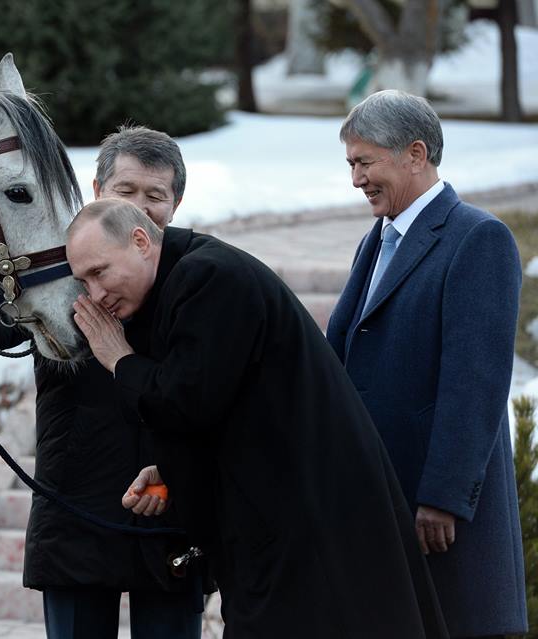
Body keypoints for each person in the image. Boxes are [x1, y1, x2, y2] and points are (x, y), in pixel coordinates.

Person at [67, 198, 448, 638]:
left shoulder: (206, 276)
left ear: (140, 241)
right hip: (289, 527)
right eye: (84, 281)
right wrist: (169, 469)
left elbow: (186, 400)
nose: (94, 295)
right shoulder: (187, 275)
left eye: (100, 273)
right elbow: (219, 406)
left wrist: (120, 360)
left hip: (310, 529)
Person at [0, 126, 205, 638]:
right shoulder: (61, 264)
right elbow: (2, 314)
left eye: (156, 196)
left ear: (176, 204)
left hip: (167, 504)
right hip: (76, 500)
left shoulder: (197, 275)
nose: (140, 207)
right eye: (125, 191)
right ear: (96, 189)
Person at [325, 90, 527, 638]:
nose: (356, 179)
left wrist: (442, 496)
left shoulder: (477, 238)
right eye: (351, 164)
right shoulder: (378, 239)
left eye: (365, 162)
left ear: (415, 154)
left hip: (438, 517)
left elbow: (476, 383)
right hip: (385, 504)